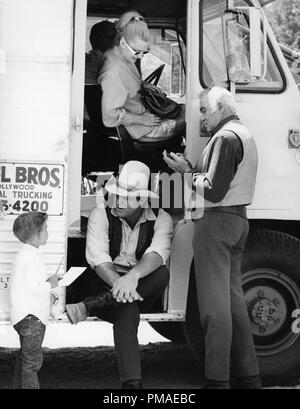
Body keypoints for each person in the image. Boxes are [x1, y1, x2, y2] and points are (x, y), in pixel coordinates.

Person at [163, 86, 262, 389]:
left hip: (215, 224)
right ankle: (249, 376)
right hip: (237, 221)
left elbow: (214, 189)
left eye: (205, 110)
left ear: (220, 108)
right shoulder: (242, 133)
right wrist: (195, 171)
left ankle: (217, 380)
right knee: (233, 305)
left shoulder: (224, 138)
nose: (202, 117)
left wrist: (184, 173)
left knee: (213, 309)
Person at [66, 161, 173, 389]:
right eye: (117, 193)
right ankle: (132, 386)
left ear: (143, 200)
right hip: (106, 282)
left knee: (162, 273)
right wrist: (121, 283)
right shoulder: (101, 213)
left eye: (127, 196)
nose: (118, 199)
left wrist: (132, 277)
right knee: (126, 306)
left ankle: (91, 305)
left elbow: (157, 254)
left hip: (139, 286)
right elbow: (98, 257)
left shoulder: (162, 218)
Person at [98, 10, 185, 141]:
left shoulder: (124, 58)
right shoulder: (113, 71)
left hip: (143, 115)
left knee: (183, 110)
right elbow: (109, 116)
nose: (140, 56)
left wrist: (144, 84)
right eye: (137, 51)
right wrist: (142, 119)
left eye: (145, 52)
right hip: (141, 128)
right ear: (122, 43)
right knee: (188, 117)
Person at [10, 212, 59, 389]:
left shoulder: (24, 254)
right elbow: (35, 287)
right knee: (32, 364)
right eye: (45, 229)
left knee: (24, 360)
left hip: (23, 317)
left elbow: (30, 287)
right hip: (32, 319)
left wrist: (48, 288)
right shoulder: (30, 257)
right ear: (36, 234)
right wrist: (51, 284)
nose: (48, 233)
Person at [85, 20, 117, 85]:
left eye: (116, 38)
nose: (114, 42)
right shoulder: (92, 61)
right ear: (95, 39)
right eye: (110, 38)